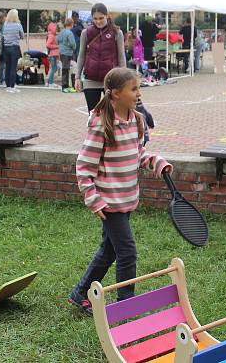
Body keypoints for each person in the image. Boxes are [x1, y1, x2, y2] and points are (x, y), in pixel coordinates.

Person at [68, 68, 172, 315]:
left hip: (126, 199)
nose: (139, 93)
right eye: (133, 89)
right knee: (127, 252)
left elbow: (137, 153)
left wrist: (156, 162)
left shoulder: (136, 120)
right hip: (109, 202)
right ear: (115, 94)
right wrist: (94, 200)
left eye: (139, 88)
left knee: (110, 250)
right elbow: (84, 166)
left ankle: (80, 293)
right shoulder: (101, 126)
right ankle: (126, 305)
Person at [75, 3, 126, 112]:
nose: (98, 21)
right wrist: (77, 77)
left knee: (113, 114)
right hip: (90, 80)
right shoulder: (86, 33)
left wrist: (124, 79)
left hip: (111, 80)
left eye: (101, 18)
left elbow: (121, 57)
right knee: (93, 115)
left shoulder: (117, 33)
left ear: (107, 16)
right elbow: (81, 56)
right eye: (95, 18)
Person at [2, 9, 25, 92]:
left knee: (7, 67)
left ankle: (8, 85)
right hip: (14, 47)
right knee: (13, 67)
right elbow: (22, 36)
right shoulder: (18, 25)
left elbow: (3, 35)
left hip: (5, 48)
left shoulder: (5, 24)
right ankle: (12, 86)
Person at [58, 19, 77, 93]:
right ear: (71, 24)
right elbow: (73, 43)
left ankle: (65, 85)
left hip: (61, 52)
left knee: (64, 69)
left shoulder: (61, 32)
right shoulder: (69, 33)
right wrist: (74, 47)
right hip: (67, 53)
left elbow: (58, 40)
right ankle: (65, 86)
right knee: (66, 69)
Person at [45, 19, 60, 88]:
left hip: (53, 54)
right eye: (55, 28)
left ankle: (49, 82)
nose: (56, 29)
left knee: (54, 68)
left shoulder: (51, 35)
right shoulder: (51, 35)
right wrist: (57, 46)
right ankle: (50, 82)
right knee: (54, 68)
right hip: (52, 54)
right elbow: (48, 45)